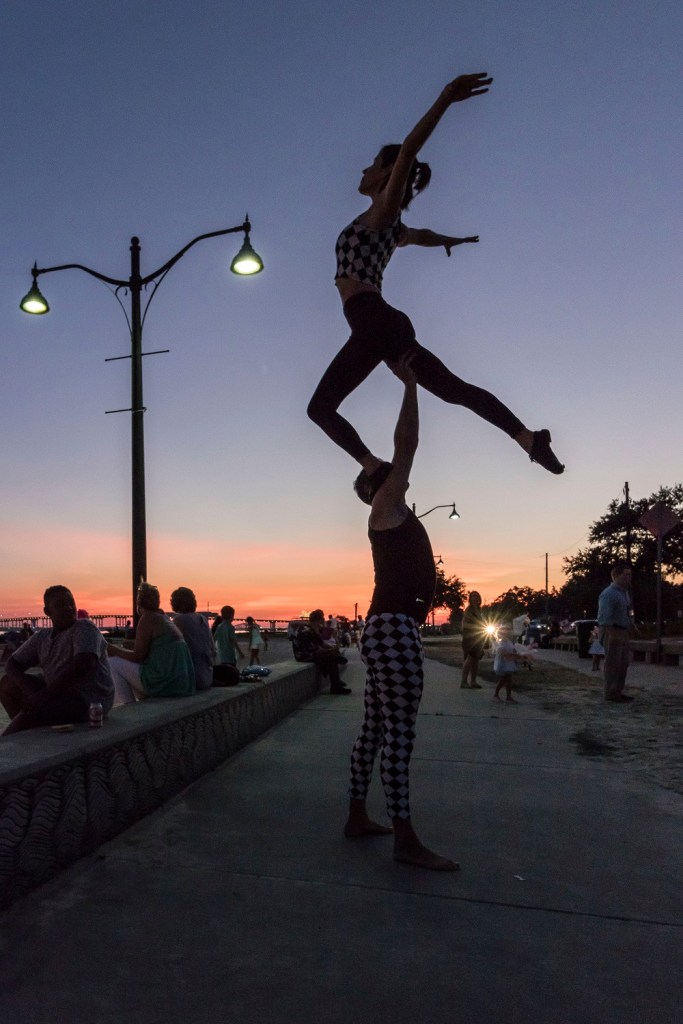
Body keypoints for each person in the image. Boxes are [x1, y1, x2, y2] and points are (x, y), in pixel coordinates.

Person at [307, 71, 564, 478]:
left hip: (373, 322)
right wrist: (449, 239)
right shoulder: (390, 226)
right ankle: (528, 439)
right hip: (384, 325)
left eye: (374, 163)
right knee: (452, 390)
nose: (364, 167)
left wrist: (445, 97)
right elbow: (419, 235)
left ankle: (374, 469)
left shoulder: (382, 213)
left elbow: (409, 150)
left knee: (319, 408)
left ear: (388, 174)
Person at [344, 352, 459, 871]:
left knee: (374, 730)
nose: (392, 473)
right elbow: (406, 445)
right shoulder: (384, 507)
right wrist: (411, 386)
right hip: (393, 630)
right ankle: (405, 839)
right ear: (377, 488)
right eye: (382, 475)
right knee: (400, 736)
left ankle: (357, 816)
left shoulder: (395, 513)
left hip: (386, 628)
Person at [0, 585, 114, 735]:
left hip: (87, 699)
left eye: (71, 602)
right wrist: (30, 690)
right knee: (7, 684)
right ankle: (30, 734)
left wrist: (42, 696)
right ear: (47, 612)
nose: (69, 608)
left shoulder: (84, 628)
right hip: (55, 692)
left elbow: (84, 663)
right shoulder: (42, 637)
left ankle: (11, 739)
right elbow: (12, 664)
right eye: (61, 605)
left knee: (35, 710)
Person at [106, 582, 195, 703]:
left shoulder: (147, 618)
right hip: (181, 683)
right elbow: (154, 649)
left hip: (166, 683)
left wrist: (111, 648)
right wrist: (128, 646)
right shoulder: (163, 618)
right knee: (131, 666)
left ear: (138, 603)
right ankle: (141, 702)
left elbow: (138, 656)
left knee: (113, 663)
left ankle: (127, 707)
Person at [597, 562, 637, 703]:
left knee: (623, 663)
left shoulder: (624, 593)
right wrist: (611, 632)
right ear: (616, 576)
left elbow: (626, 611)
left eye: (630, 575)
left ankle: (618, 691)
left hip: (622, 630)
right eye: (626, 575)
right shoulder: (609, 594)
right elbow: (604, 617)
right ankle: (611, 693)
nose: (629, 577)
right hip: (612, 631)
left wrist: (631, 625)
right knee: (613, 663)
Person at [169, 587, 216, 691]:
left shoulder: (179, 620)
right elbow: (212, 649)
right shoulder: (202, 619)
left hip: (192, 678)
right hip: (207, 675)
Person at [295, 610, 351, 695]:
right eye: (322, 619)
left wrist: (332, 648)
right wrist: (330, 651)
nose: (323, 621)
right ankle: (336, 685)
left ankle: (336, 684)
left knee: (331, 657)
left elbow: (321, 643)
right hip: (303, 655)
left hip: (310, 652)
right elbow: (314, 649)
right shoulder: (305, 630)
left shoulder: (311, 629)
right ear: (318, 620)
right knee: (331, 658)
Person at [492, 624, 529, 702]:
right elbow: (503, 653)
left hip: (509, 663)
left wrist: (519, 655)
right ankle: (496, 695)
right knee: (503, 680)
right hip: (503, 663)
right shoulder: (500, 642)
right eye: (507, 632)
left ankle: (508, 697)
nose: (509, 633)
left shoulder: (509, 642)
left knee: (509, 680)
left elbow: (512, 650)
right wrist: (516, 655)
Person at [460, 591, 485, 689]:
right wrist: (477, 627)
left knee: (476, 660)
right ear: (470, 599)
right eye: (473, 596)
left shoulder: (480, 610)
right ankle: (464, 681)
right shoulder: (469, 610)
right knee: (470, 659)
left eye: (477, 596)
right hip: (469, 638)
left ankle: (473, 681)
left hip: (479, 637)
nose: (476, 598)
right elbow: (465, 625)